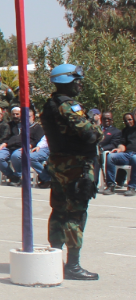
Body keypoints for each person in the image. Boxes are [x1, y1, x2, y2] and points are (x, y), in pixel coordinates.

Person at [40, 63, 103, 281]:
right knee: (75, 213)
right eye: (77, 81)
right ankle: (72, 265)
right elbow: (91, 135)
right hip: (76, 167)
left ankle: (54, 259)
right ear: (67, 82)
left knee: (58, 210)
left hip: (58, 164)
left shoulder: (50, 104)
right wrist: (95, 124)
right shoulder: (68, 106)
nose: (80, 85)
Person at [104, 112, 136, 195]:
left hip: (135, 155)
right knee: (110, 156)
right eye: (125, 120)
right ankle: (110, 185)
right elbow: (122, 144)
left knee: (135, 158)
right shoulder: (125, 130)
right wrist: (119, 149)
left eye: (130, 119)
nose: (128, 122)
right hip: (127, 155)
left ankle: (132, 187)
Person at [0, 106, 23, 184]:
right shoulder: (8, 125)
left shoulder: (26, 125)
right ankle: (11, 176)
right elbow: (5, 137)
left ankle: (18, 175)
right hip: (9, 147)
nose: (15, 116)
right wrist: (3, 144)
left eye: (17, 114)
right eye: (13, 114)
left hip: (21, 147)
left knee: (15, 156)